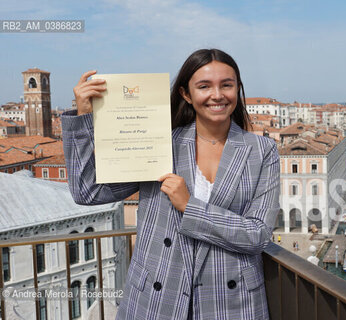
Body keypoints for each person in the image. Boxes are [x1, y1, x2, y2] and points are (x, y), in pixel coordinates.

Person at [62, 49, 280, 320]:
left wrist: (190, 207)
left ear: (238, 88)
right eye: (204, 86)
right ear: (186, 94)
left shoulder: (262, 151)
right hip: (156, 299)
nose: (217, 95)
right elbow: (87, 191)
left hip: (231, 302)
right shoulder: (159, 144)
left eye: (227, 84)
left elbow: (257, 234)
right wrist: (83, 117)